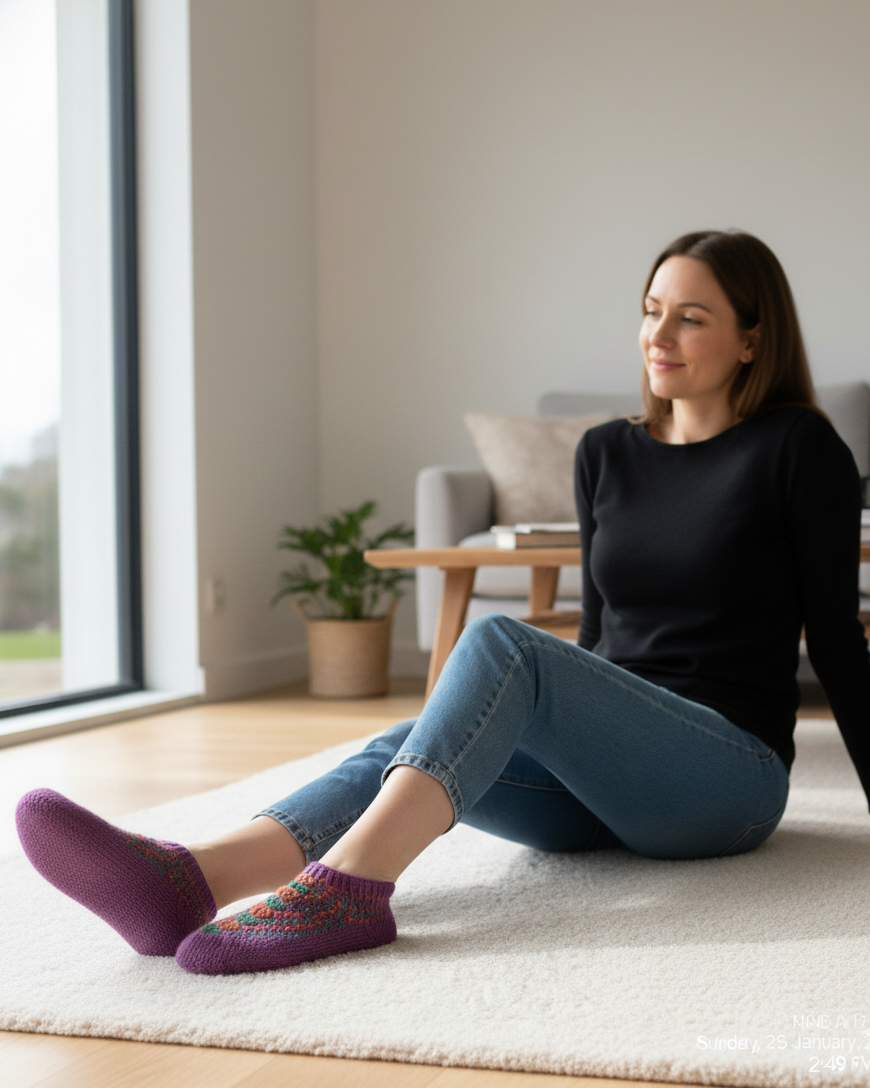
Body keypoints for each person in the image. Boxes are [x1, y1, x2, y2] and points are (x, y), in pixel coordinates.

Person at [16, 230, 870, 977]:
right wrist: (570, 731)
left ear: (753, 339)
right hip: (608, 787)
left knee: (506, 642)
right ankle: (190, 882)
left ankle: (351, 888)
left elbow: (838, 642)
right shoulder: (608, 453)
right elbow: (606, 642)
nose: (659, 332)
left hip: (725, 777)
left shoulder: (799, 449)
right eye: (651, 308)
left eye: (691, 316)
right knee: (407, 742)